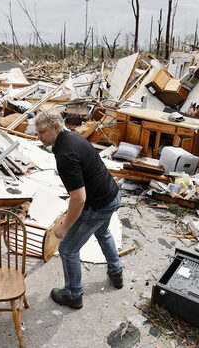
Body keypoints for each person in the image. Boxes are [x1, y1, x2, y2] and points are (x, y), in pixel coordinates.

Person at [34, 109, 123, 310]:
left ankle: (73, 295)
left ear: (56, 128)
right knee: (103, 231)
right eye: (36, 132)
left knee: (67, 249)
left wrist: (65, 227)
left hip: (99, 205)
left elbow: (79, 199)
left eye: (41, 132)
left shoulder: (66, 154)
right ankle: (116, 272)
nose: (37, 137)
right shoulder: (72, 137)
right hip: (112, 194)